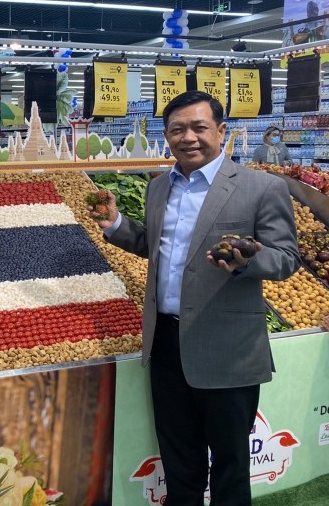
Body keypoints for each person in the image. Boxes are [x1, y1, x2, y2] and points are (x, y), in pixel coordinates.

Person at [88, 90, 300, 505]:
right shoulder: (158, 188)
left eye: (199, 127)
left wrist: (246, 261)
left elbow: (286, 258)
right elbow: (154, 245)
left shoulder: (261, 187)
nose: (188, 137)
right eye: (177, 129)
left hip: (228, 348)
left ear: (221, 131)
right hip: (166, 344)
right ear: (167, 136)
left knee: (230, 463)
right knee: (179, 461)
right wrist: (115, 224)